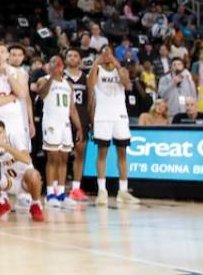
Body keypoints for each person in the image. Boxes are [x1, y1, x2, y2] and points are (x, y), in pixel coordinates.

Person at [89, 46, 139, 206]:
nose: (106, 55)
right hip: (103, 115)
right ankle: (102, 190)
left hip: (120, 116)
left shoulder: (121, 69)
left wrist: (116, 64)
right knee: (102, 153)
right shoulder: (97, 70)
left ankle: (123, 191)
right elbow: (90, 85)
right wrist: (96, 62)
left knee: (122, 153)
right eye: (103, 52)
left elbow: (127, 84)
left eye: (109, 52)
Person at [36, 55, 82, 209]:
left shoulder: (68, 84)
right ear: (49, 65)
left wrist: (80, 127)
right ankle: (50, 194)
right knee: (52, 158)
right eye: (53, 61)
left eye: (58, 62)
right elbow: (41, 94)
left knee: (64, 159)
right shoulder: (44, 79)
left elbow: (72, 109)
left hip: (65, 124)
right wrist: (52, 77)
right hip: (51, 122)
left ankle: (61, 193)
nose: (57, 64)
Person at [0, 120, 46, 222]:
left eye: (0, 132)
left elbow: (27, 159)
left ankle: (35, 205)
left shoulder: (13, 138)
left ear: (5, 133)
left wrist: (5, 146)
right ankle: (1, 203)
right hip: (9, 182)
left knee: (34, 174)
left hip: (26, 181)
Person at [63, 48, 91, 202]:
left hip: (82, 118)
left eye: (75, 55)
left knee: (79, 154)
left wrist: (89, 120)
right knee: (61, 156)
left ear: (80, 60)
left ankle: (75, 188)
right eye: (69, 55)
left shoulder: (85, 78)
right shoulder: (61, 76)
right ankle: (57, 187)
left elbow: (89, 102)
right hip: (64, 119)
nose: (72, 58)